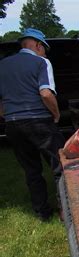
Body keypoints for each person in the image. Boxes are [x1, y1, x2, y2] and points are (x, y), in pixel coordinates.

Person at [0, 28, 64, 221]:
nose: (45, 53)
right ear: (37, 45)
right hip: (38, 121)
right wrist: (56, 114)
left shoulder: (2, 65)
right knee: (60, 166)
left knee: (31, 170)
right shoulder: (41, 62)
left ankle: (42, 213)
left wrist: (7, 115)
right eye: (45, 49)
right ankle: (66, 211)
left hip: (12, 124)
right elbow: (45, 93)